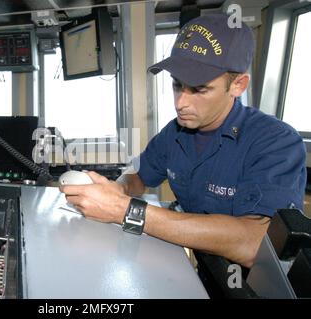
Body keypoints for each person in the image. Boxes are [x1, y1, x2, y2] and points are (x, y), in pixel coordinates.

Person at [60, 14, 307, 269]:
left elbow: (256, 244)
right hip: (198, 268)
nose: (181, 103)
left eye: (199, 89)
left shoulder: (276, 142)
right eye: (177, 86)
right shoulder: (175, 132)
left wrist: (126, 210)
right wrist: (119, 189)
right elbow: (138, 175)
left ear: (238, 85)